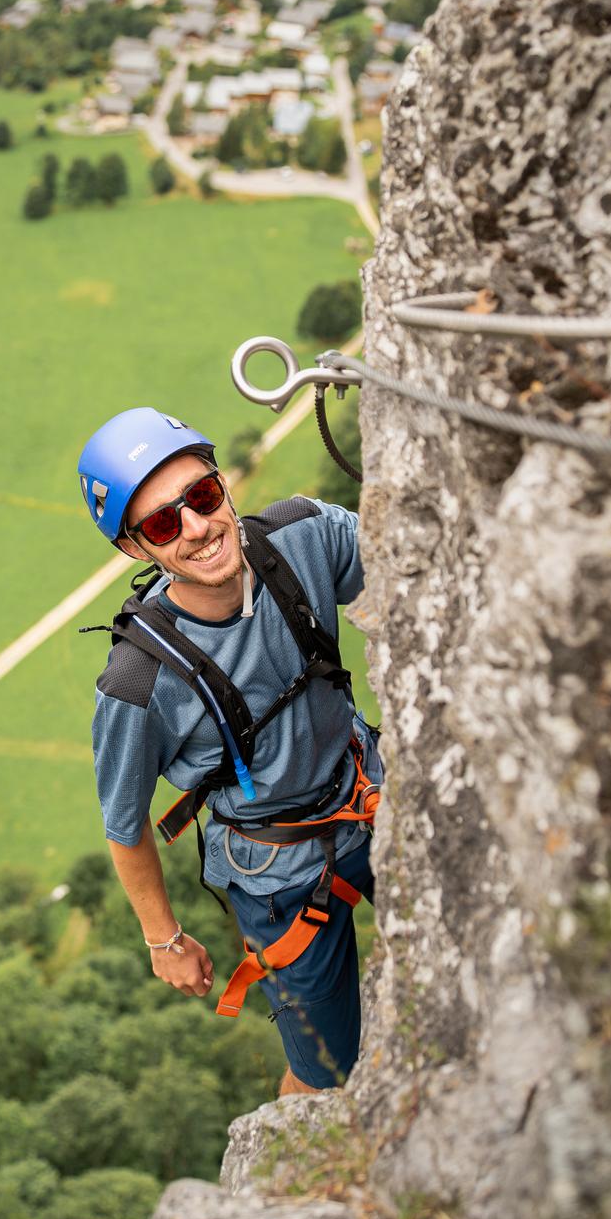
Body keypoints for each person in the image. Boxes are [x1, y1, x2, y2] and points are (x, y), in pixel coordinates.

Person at [78, 407, 382, 1094]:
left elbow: (419, 578)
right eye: (162, 523)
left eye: (203, 496)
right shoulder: (136, 683)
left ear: (223, 484)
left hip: (369, 788)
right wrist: (165, 940)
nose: (196, 527)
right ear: (134, 549)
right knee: (324, 1071)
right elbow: (124, 825)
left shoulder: (304, 536)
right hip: (278, 872)